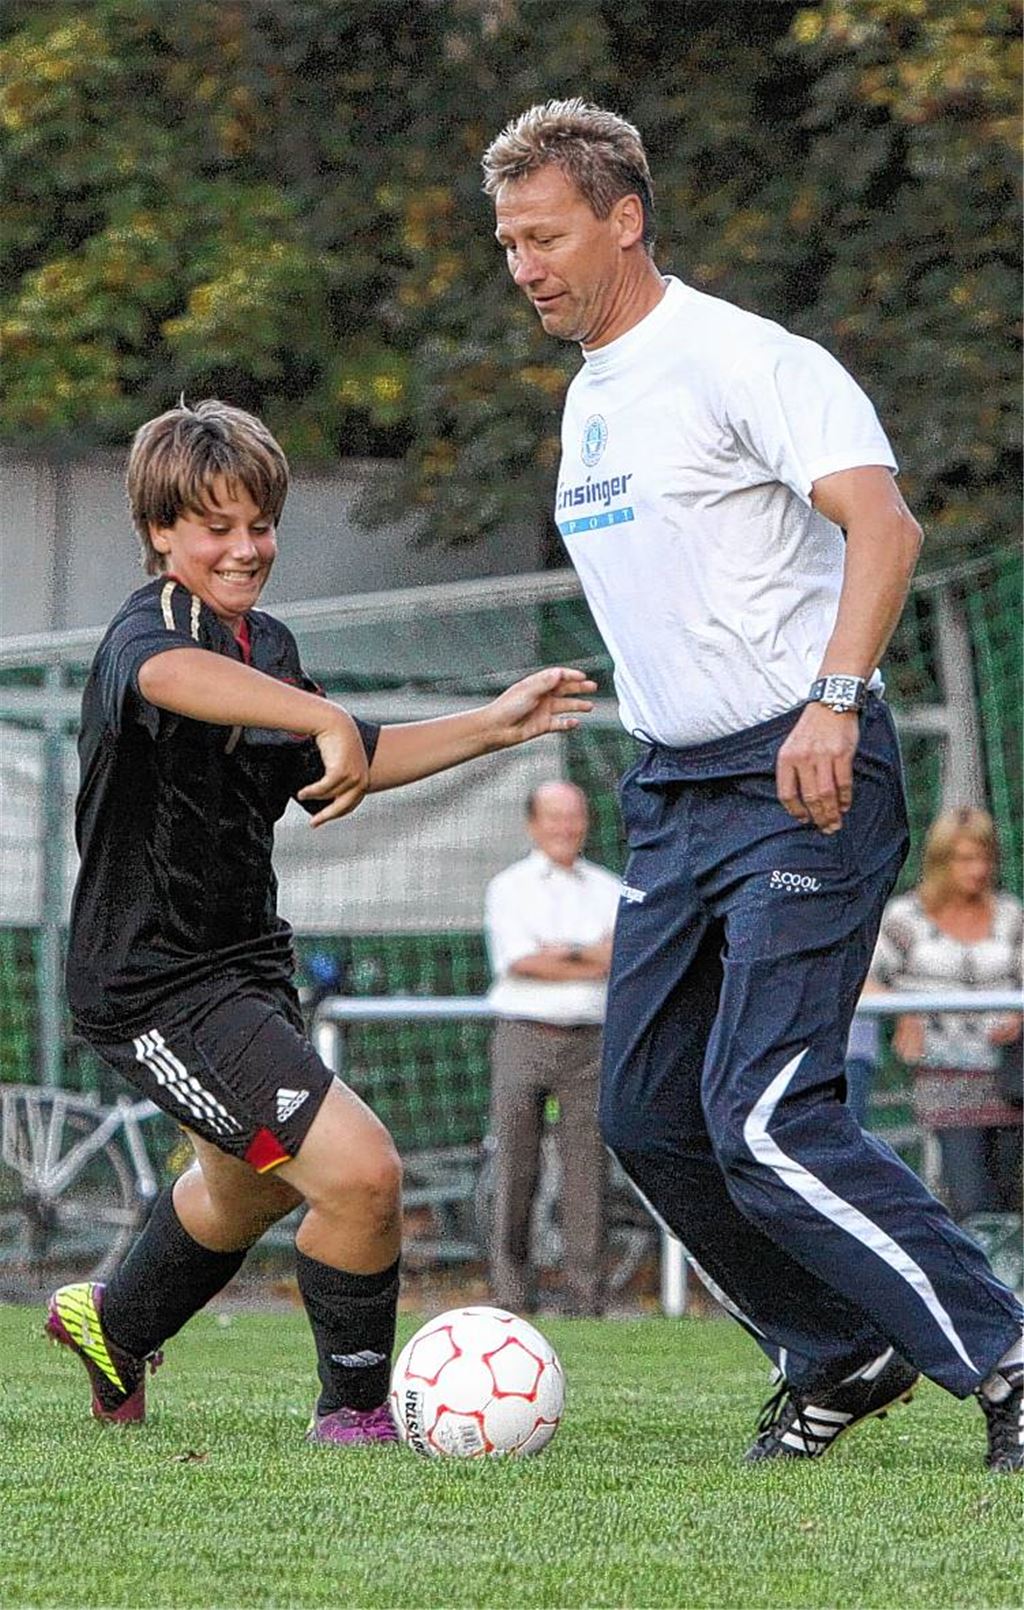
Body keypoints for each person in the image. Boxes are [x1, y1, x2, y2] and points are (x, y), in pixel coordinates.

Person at [481, 98, 1023, 1471]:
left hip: (806, 770)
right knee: (651, 1113)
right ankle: (834, 1351)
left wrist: (832, 700)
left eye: (545, 237)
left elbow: (883, 523)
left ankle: (1006, 1354)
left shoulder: (743, 359)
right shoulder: (587, 402)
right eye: (507, 244)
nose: (525, 266)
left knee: (772, 1113)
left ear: (624, 217)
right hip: (673, 789)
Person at [45, 398, 594, 1446]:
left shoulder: (269, 645)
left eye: (260, 523)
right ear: (161, 531)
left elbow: (340, 764)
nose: (245, 547)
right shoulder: (147, 633)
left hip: (243, 963)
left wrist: (493, 723)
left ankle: (112, 1323)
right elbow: (176, 681)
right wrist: (322, 713)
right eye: (215, 526)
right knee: (360, 1171)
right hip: (151, 981)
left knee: (248, 1188)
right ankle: (353, 1414)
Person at [483, 780, 621, 1316]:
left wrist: (559, 954)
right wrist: (588, 956)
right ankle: (511, 1296)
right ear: (533, 824)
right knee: (515, 1166)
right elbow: (520, 962)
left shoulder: (610, 888)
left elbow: (618, 960)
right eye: (555, 817)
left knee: (588, 1172)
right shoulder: (508, 887)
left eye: (575, 816)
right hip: (523, 1035)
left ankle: (586, 1299)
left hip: (591, 1041)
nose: (566, 828)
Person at [868, 807, 1023, 1221]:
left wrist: (1019, 1016)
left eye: (985, 857)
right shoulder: (904, 918)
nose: (978, 869)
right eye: (966, 858)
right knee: (972, 1203)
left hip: (1010, 1081)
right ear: (940, 861)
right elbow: (860, 981)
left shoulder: (1010, 915)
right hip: (944, 1081)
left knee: (1009, 1207)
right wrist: (903, 1011)